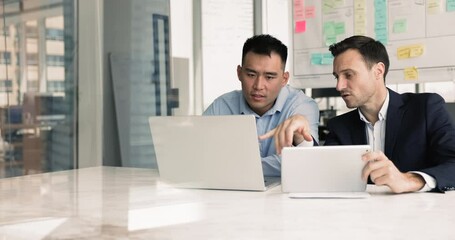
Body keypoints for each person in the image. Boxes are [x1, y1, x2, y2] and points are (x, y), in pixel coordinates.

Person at [260, 35, 455, 193]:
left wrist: (409, 180)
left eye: (348, 75)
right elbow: (324, 173)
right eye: (337, 77)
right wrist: (303, 140)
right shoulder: (340, 126)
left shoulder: (426, 108)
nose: (339, 86)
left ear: (378, 71)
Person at [203, 34, 319, 177]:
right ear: (239, 73)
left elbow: (308, 161)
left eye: (269, 77)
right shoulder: (222, 106)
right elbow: (199, 155)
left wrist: (229, 167)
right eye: (251, 75)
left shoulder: (301, 106)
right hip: (232, 194)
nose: (258, 86)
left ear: (284, 79)